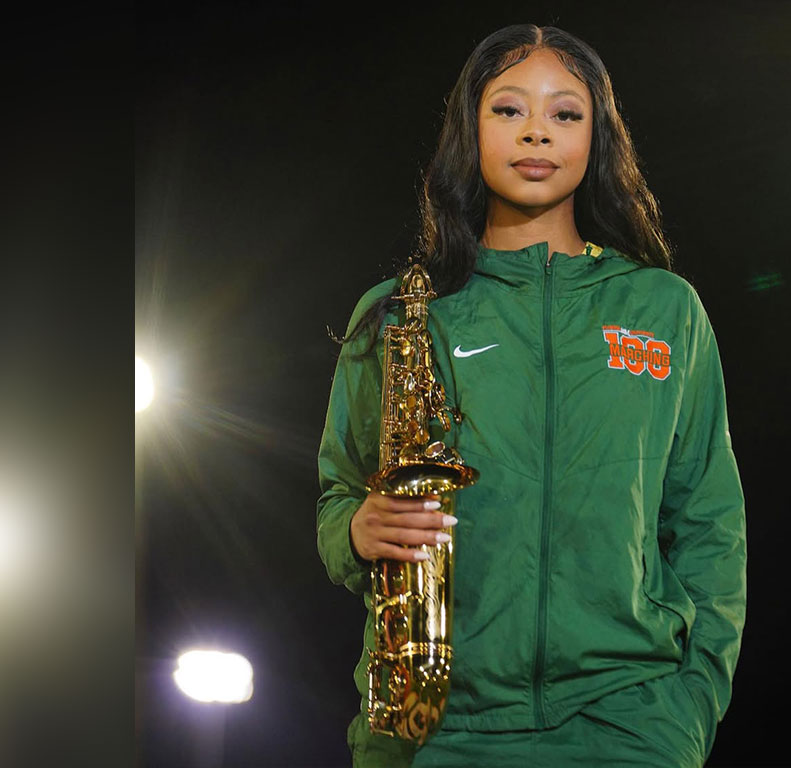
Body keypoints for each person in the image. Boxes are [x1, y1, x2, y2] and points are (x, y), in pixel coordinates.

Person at [316, 24, 746, 768]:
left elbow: (710, 525)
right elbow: (337, 494)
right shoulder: (398, 313)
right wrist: (355, 530)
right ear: (468, 129)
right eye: (509, 110)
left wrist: (688, 709)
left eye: (566, 114)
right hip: (435, 728)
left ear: (598, 135)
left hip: (629, 724)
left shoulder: (664, 310)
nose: (538, 133)